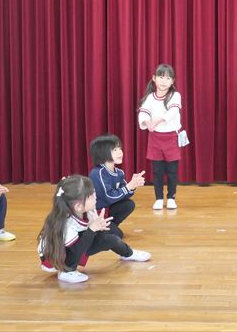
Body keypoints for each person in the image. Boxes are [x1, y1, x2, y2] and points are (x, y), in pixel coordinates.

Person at [38, 175, 151, 283]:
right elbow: (77, 249)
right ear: (78, 206)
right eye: (91, 196)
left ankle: (128, 253)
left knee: (111, 238)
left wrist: (98, 227)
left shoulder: (85, 210)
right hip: (56, 257)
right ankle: (67, 271)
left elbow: (92, 237)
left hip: (75, 245)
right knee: (94, 238)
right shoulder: (66, 225)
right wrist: (92, 229)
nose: (96, 196)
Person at [138, 64, 183, 210]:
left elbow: (173, 111)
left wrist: (158, 120)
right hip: (155, 139)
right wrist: (146, 122)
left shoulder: (175, 95)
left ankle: (171, 198)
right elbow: (143, 113)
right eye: (161, 77)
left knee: (172, 171)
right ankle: (158, 198)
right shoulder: (150, 98)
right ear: (154, 78)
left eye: (168, 78)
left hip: (171, 137)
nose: (164, 81)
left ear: (173, 81)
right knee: (157, 171)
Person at [88, 134, 145, 238]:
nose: (120, 152)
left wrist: (133, 185)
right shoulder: (98, 173)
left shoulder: (119, 172)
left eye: (120, 149)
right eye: (115, 150)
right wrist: (129, 186)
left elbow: (124, 195)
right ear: (102, 153)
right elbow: (109, 196)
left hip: (108, 209)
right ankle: (99, 228)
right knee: (118, 235)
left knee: (128, 204)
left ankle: (109, 226)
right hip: (96, 213)